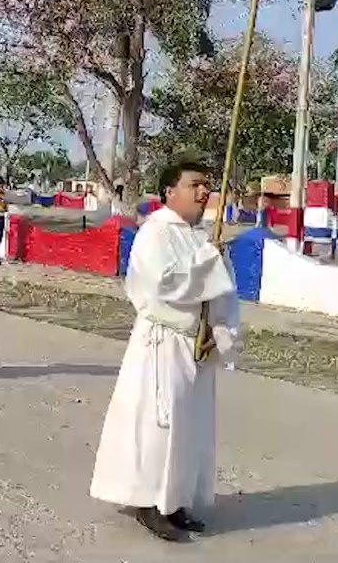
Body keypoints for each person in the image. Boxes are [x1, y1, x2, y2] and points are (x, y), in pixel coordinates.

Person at [89, 161, 241, 543]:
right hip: (163, 342)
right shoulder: (155, 233)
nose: (204, 192)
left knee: (189, 425)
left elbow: (219, 290)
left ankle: (176, 500)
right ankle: (149, 502)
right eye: (195, 184)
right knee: (160, 424)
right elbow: (163, 285)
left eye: (207, 185)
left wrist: (219, 330)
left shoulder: (200, 234)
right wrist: (209, 262)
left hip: (194, 344)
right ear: (169, 192)